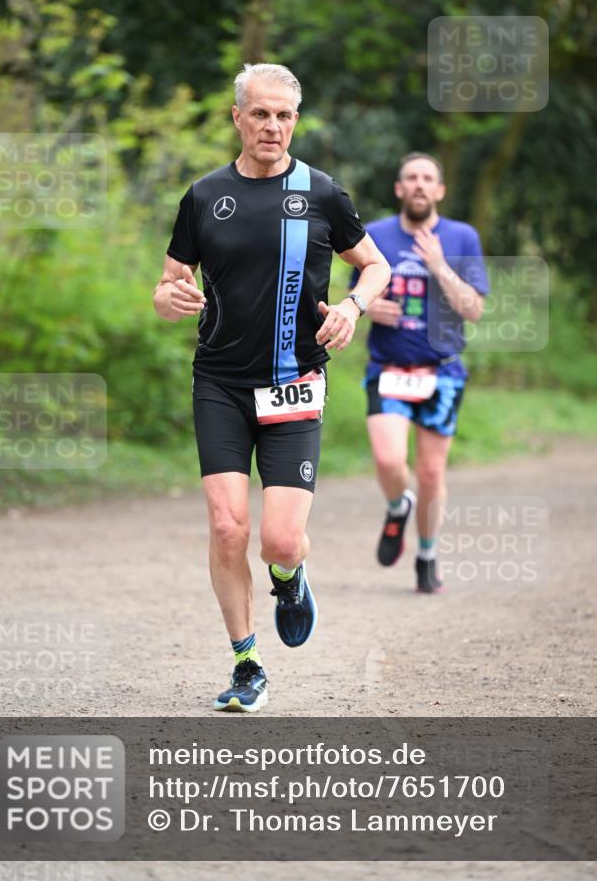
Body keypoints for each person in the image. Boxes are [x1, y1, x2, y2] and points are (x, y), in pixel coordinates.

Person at [153, 63, 390, 712]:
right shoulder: (204, 196)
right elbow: (169, 279)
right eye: (260, 113)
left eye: (284, 115)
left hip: (294, 383)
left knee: (279, 540)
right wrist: (168, 298)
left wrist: (351, 307)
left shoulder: (321, 193)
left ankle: (288, 577)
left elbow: (374, 265)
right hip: (221, 383)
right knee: (228, 526)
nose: (272, 126)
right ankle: (246, 663)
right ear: (237, 117)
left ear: (295, 119)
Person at [352, 152, 489, 593]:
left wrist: (439, 266)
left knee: (431, 473)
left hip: (442, 372)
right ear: (398, 188)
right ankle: (398, 506)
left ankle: (427, 556)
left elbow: (474, 310)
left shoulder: (461, 236)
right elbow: (352, 296)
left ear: (440, 190)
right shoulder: (374, 234)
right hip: (388, 367)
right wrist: (369, 305)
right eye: (411, 178)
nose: (419, 185)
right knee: (389, 460)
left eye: (428, 178)